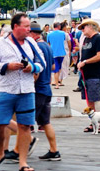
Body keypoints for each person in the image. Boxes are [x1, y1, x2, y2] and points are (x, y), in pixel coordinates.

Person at [0, 13, 45, 171]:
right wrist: (7, 66)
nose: (29, 29)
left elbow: (43, 63)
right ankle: (0, 153)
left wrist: (32, 67)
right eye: (26, 26)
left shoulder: (32, 43)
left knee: (25, 126)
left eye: (29, 27)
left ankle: (23, 162)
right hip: (6, 89)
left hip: (26, 90)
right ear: (15, 27)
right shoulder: (0, 43)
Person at [28, 22, 61, 161]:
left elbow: (36, 72)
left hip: (38, 90)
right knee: (45, 122)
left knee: (25, 122)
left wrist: (30, 84)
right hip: (47, 88)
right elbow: (53, 66)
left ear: (33, 34)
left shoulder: (36, 47)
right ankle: (54, 151)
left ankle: (21, 149)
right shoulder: (47, 47)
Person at [77, 20, 100, 133]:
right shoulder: (86, 40)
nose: (82, 30)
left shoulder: (98, 39)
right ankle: (93, 122)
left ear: (90, 27)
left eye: (84, 27)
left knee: (96, 99)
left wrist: (85, 62)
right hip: (85, 75)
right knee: (89, 101)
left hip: (95, 74)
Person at [46, 22, 67, 90]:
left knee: (56, 69)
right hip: (62, 53)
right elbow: (63, 40)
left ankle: (56, 83)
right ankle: (58, 81)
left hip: (54, 53)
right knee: (59, 68)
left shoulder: (49, 34)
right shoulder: (63, 33)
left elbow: (48, 43)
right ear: (59, 26)